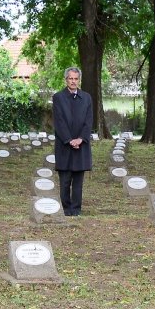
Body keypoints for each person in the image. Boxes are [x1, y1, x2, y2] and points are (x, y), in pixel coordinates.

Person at [51, 66, 95, 215]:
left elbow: (88, 122)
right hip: (65, 145)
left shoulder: (87, 98)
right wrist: (69, 140)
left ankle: (76, 210)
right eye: (70, 78)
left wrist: (81, 139)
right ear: (66, 79)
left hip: (81, 145)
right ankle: (65, 209)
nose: (73, 81)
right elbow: (59, 121)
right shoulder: (58, 97)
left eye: (76, 79)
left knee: (78, 181)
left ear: (79, 80)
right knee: (65, 180)